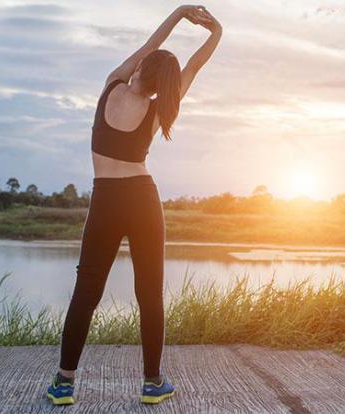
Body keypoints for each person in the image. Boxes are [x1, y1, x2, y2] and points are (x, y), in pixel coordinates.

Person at [46, 5, 222, 406]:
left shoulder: (112, 85)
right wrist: (216, 34)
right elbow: (193, 67)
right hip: (143, 198)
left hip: (106, 199)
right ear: (165, 85)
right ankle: (152, 382)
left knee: (85, 292)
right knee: (150, 293)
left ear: (142, 67)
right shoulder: (161, 106)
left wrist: (179, 14)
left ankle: (63, 383)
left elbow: (151, 45)